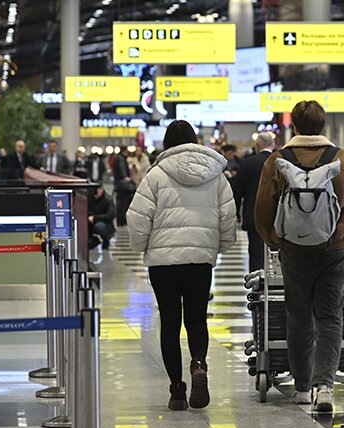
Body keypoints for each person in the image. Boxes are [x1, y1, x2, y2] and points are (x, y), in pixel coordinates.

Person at [255, 101, 344, 412]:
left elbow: (262, 211)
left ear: (294, 126)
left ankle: (303, 387)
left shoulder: (278, 161)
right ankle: (325, 388)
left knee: (298, 317)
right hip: (334, 251)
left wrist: (275, 240)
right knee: (331, 317)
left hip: (293, 252)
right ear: (324, 126)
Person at [126, 119, 237, 411]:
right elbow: (228, 216)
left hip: (163, 263)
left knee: (170, 324)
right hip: (200, 261)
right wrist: (218, 248)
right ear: (194, 140)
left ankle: (177, 390)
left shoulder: (156, 175)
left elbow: (137, 217)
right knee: (197, 319)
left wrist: (143, 247)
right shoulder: (216, 175)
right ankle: (198, 364)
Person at [233, 132, 275, 272]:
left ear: (257, 145)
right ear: (273, 145)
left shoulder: (248, 163)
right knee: (280, 255)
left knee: (256, 254)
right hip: (277, 216)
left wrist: (236, 213)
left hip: (254, 216)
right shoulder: (280, 162)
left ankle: (257, 287)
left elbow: (238, 191)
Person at [88, 184, 116, 250]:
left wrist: (95, 218)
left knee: (99, 227)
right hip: (90, 222)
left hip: (104, 223)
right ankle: (94, 241)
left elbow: (110, 215)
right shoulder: (90, 198)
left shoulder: (108, 199)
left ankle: (106, 240)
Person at [113, 148, 135, 227]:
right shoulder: (121, 159)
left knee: (120, 204)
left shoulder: (118, 158)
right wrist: (126, 177)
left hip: (119, 185)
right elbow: (123, 172)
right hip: (122, 186)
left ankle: (121, 220)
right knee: (123, 204)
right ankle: (122, 220)